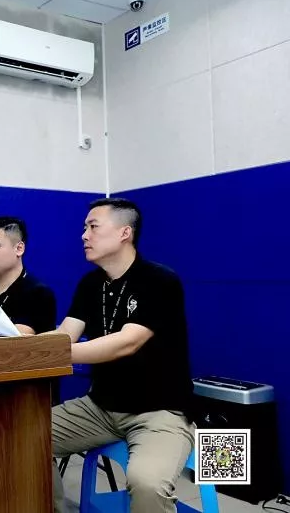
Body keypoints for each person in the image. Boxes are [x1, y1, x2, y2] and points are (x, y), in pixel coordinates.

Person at [46, 198, 195, 513]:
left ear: (124, 232)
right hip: (99, 407)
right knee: (24, 438)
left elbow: (127, 343)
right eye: (84, 228)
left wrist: (52, 354)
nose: (84, 235)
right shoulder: (90, 283)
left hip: (157, 412)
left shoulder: (160, 280)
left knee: (148, 484)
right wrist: (22, 346)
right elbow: (65, 333)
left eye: (93, 227)